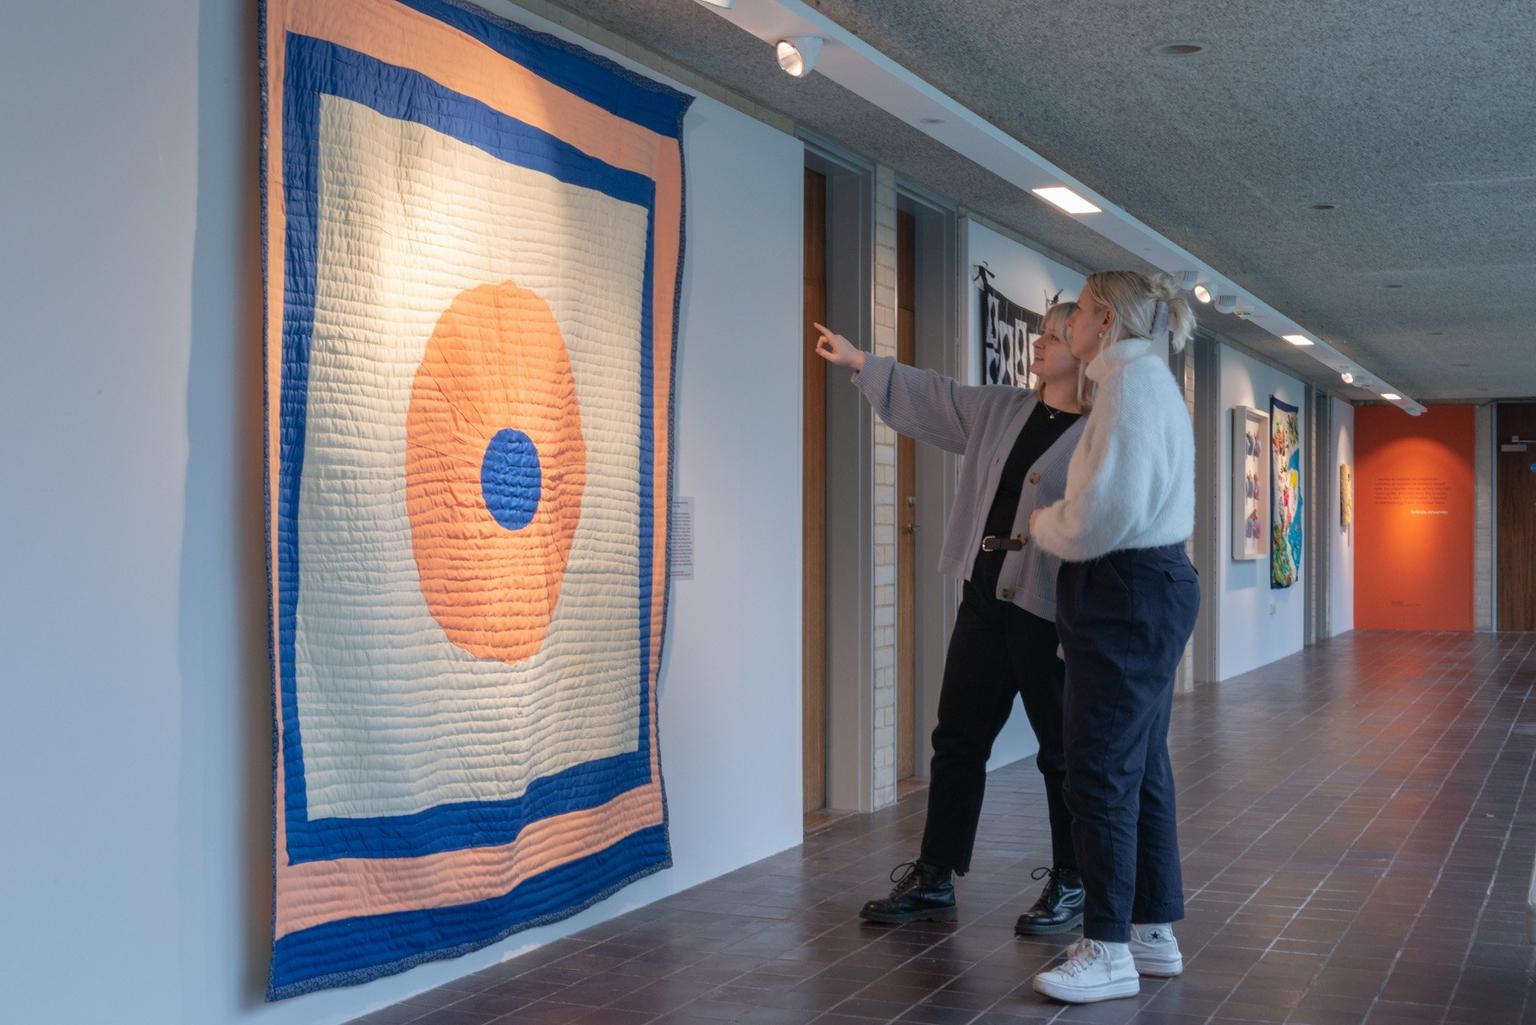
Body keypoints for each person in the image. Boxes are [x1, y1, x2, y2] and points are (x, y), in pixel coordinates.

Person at [813, 302, 1089, 937]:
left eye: (1054, 335)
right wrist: (862, 363)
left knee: (1062, 754)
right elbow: (939, 398)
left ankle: (1073, 879)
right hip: (985, 597)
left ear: (1086, 347)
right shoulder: (1004, 408)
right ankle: (936, 876)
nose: (1040, 344)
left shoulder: (1101, 434)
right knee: (957, 739)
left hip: (1047, 610)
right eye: (1040, 333)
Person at [1025, 272, 1200, 1004]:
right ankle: (1150, 930)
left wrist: (1046, 527)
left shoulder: (1129, 385)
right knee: (1140, 765)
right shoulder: (1143, 380)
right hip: (1147, 586)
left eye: (1079, 314)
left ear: (1103, 319)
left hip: (1123, 588)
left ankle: (1108, 946)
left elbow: (1109, 509)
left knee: (1098, 768)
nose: (1066, 327)